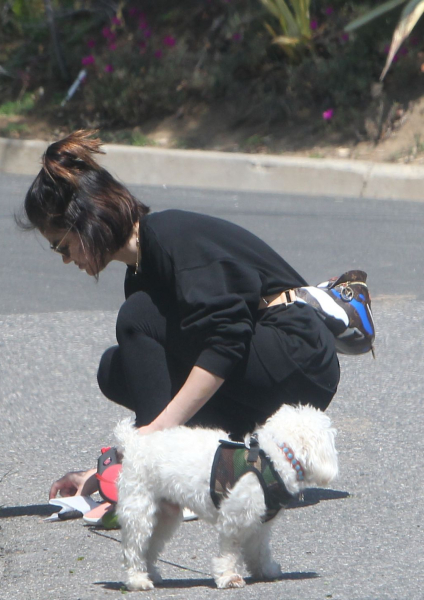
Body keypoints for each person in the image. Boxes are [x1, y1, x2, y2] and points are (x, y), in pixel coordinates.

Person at [19, 130, 340, 513]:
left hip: (297, 354)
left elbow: (226, 340)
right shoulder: (140, 273)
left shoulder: (172, 237)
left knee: (137, 318)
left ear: (86, 220)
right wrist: (107, 467)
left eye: (61, 244)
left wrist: (150, 443)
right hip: (257, 374)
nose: (66, 259)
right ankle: (208, 469)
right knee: (116, 368)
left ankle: (163, 479)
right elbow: (162, 379)